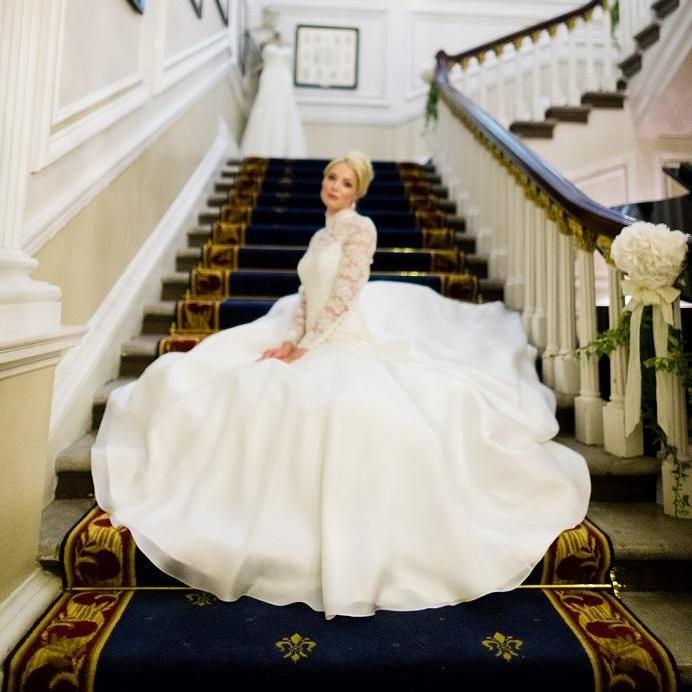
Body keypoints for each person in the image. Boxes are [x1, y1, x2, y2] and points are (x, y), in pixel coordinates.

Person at [92, 151, 590, 618]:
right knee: (241, 383)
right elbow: (307, 296)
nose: (335, 186)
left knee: (325, 403)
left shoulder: (361, 228)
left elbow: (345, 294)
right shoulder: (321, 235)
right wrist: (290, 342)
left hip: (344, 337)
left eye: (346, 183)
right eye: (332, 177)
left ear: (358, 193)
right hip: (311, 335)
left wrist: (311, 346)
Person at [240, 33, 306, 157]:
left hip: (285, 78)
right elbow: (255, 64)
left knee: (285, 109)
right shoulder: (264, 43)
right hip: (269, 76)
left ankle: (285, 151)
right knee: (266, 107)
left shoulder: (288, 44)